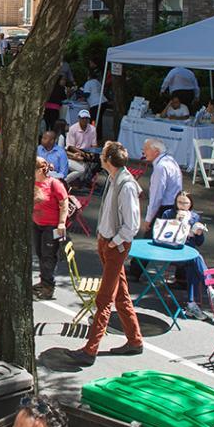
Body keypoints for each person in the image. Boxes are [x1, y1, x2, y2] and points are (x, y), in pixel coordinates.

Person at [77, 142, 143, 362]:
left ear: (108, 160)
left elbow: (132, 225)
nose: (100, 157)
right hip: (107, 242)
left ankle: (90, 349)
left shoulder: (126, 185)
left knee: (105, 298)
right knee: (121, 294)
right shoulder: (115, 180)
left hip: (115, 246)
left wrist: (114, 242)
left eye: (102, 154)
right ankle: (135, 340)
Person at [158, 192, 214, 322]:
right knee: (196, 258)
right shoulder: (168, 214)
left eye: (186, 203)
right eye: (180, 202)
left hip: (188, 252)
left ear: (191, 204)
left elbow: (199, 242)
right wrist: (177, 222)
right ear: (176, 203)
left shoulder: (194, 217)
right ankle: (209, 289)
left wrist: (198, 233)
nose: (182, 206)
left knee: (193, 264)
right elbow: (163, 236)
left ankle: (191, 303)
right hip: (173, 250)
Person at [32, 158, 71, 299]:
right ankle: (44, 281)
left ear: (41, 170)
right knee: (40, 253)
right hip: (37, 224)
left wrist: (61, 223)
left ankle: (48, 286)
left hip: (51, 226)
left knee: (48, 256)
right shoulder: (33, 183)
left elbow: (64, 203)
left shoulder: (54, 184)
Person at [140, 138, 183, 233]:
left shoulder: (161, 167)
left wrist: (149, 219)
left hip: (163, 210)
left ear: (156, 152)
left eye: (146, 149)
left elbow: (156, 196)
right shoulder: (170, 160)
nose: (143, 152)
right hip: (173, 206)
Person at [65, 109, 99, 188]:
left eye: (87, 118)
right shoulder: (73, 128)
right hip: (75, 150)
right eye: (83, 118)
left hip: (88, 150)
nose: (85, 120)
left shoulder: (92, 129)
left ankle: (88, 179)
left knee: (99, 162)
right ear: (79, 118)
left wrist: (92, 153)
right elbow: (70, 146)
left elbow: (94, 144)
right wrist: (82, 153)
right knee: (82, 167)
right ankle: (70, 181)